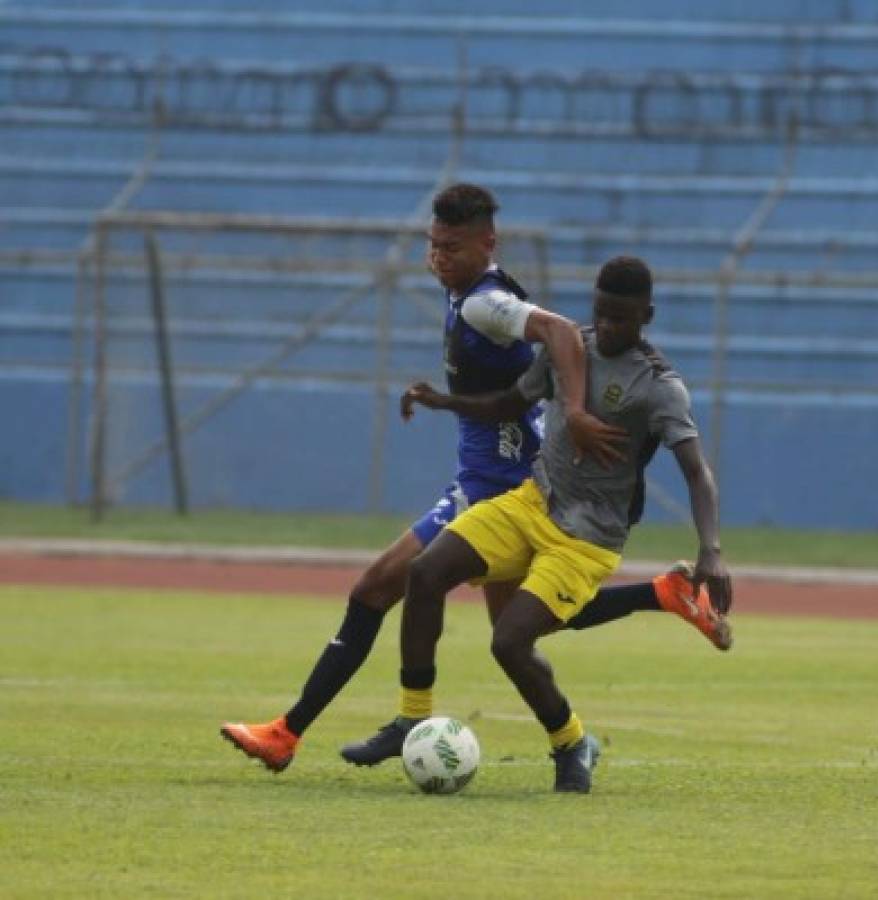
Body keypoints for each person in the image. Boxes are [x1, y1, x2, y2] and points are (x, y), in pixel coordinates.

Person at [220, 187, 730, 774]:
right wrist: (444, 401)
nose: (438, 257)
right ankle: (650, 611)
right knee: (525, 626)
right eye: (433, 246)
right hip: (513, 482)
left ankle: (297, 730)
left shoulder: (483, 304)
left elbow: (561, 332)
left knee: (380, 589)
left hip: (500, 481)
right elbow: (525, 381)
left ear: (485, 243)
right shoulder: (474, 294)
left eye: (451, 247)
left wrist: (577, 409)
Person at [345, 255, 733, 793]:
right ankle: (412, 718)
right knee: (426, 573)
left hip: (587, 539)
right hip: (532, 501)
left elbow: (697, 471)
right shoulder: (570, 348)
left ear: (647, 314)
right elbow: (512, 401)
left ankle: (572, 742)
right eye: (603, 313)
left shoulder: (659, 385)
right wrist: (444, 401)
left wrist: (711, 549)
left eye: (623, 318)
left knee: (509, 642)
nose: (611, 327)